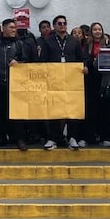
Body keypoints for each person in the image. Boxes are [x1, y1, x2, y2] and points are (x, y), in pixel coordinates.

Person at [39, 15, 86, 150]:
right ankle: (53, 138)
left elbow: (81, 59)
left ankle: (72, 138)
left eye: (64, 23)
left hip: (71, 81)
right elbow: (43, 61)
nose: (62, 25)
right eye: (59, 23)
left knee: (72, 110)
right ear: (54, 26)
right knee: (54, 109)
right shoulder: (48, 42)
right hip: (54, 82)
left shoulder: (74, 41)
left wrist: (84, 67)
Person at [0, 18, 32, 151]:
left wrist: (19, 63)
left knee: (17, 112)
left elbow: (26, 61)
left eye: (14, 27)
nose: (14, 30)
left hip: (15, 84)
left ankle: (19, 139)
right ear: (3, 28)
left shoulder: (20, 44)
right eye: (11, 27)